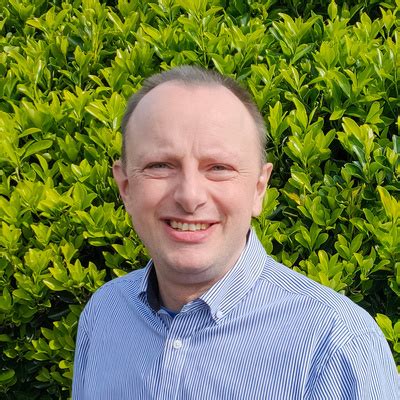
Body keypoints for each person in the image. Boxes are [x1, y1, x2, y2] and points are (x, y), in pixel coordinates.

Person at [72, 65, 399, 399]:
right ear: (126, 186)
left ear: (259, 188)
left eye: (218, 168)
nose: (189, 196)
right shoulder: (105, 314)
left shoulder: (334, 344)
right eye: (160, 166)